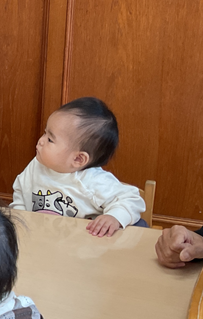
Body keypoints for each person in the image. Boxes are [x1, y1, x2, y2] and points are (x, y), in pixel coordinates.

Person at [11, 97, 145, 237]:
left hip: (82, 246)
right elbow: (21, 191)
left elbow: (132, 199)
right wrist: (20, 219)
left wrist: (114, 217)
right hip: (41, 240)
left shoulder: (93, 181)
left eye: (50, 139)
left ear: (78, 159)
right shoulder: (37, 165)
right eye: (45, 133)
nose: (41, 141)